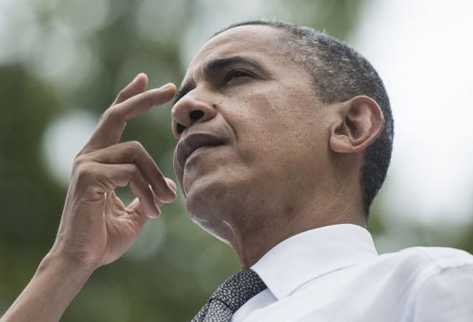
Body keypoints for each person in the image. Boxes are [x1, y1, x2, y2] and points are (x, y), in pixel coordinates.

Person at [1, 20, 473, 322]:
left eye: (238, 77)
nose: (184, 108)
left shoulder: (432, 286)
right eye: (184, 94)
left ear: (351, 126)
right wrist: (66, 262)